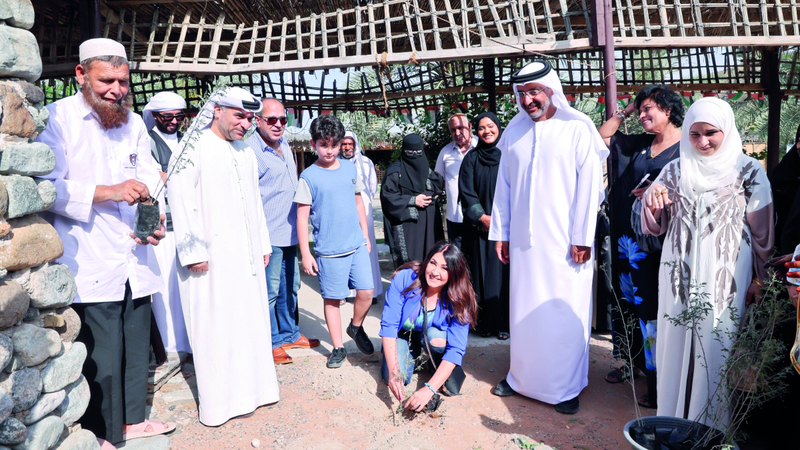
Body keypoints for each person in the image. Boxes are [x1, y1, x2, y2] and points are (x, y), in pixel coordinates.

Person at [37, 38, 175, 449]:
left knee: (136, 346)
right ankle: (101, 433)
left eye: (123, 81)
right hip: (89, 254)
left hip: (135, 250)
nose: (116, 89)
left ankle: (133, 422)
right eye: (106, 80)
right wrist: (110, 191)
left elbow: (151, 174)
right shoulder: (55, 120)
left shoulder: (132, 123)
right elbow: (47, 190)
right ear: (81, 75)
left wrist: (153, 215)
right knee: (101, 350)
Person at [642, 97, 773, 428]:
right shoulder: (675, 169)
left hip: (725, 278)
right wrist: (653, 202)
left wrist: (760, 280)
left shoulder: (748, 171)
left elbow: (762, 235)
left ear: (726, 130)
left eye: (711, 133)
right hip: (678, 276)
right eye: (695, 134)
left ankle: (713, 429)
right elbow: (654, 225)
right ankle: (672, 422)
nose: (702, 142)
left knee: (716, 345)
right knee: (675, 343)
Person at [488, 60, 608, 415]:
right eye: (522, 94)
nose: (528, 100)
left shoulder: (578, 128)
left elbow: (591, 188)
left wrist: (583, 237)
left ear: (551, 90)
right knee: (524, 312)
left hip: (566, 246)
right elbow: (504, 187)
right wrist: (501, 232)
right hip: (525, 247)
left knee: (561, 312)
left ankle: (565, 387)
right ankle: (520, 378)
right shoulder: (514, 131)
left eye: (534, 92)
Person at [169, 87, 280, 426]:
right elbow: (180, 197)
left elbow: (254, 203)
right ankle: (219, 405)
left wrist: (263, 244)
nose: (245, 124)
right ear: (217, 110)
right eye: (239, 116)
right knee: (215, 327)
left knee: (249, 322)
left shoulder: (246, 151)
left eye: (249, 118)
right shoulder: (192, 148)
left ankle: (256, 393)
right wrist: (192, 252)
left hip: (245, 257)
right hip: (209, 259)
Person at [596, 85, 684, 408]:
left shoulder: (687, 149)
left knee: (656, 313)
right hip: (628, 244)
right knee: (627, 302)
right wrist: (627, 111)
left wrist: (660, 198)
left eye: (650, 109)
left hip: (664, 246)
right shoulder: (640, 145)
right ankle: (630, 364)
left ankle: (659, 380)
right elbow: (602, 137)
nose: (645, 115)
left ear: (669, 110)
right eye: (642, 110)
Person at [294, 114, 375, 369]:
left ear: (341, 144)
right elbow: (302, 216)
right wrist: (306, 254)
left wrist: (365, 234)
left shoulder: (351, 169)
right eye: (323, 144)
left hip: (356, 244)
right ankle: (338, 348)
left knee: (367, 292)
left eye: (334, 144)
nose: (329, 150)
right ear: (313, 144)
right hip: (328, 251)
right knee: (332, 299)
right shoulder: (308, 176)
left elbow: (358, 200)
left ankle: (356, 326)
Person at [245, 98, 319, 366]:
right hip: (269, 235)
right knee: (270, 291)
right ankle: (272, 340)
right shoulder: (249, 151)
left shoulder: (285, 144)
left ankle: (290, 333)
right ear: (258, 120)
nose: (278, 125)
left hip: (290, 232)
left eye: (283, 120)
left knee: (292, 287)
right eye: (271, 120)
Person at [380, 240, 478, 407]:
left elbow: (456, 348)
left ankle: (437, 366)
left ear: (454, 273)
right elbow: (389, 326)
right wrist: (393, 372)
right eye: (432, 263)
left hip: (434, 335)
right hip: (404, 333)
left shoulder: (460, 297)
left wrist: (429, 389)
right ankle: (413, 355)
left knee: (435, 337)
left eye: (444, 268)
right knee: (396, 377)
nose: (435, 272)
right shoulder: (406, 278)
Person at [141, 91, 192, 356]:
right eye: (167, 116)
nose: (173, 121)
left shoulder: (187, 141)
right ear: (155, 116)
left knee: (187, 286)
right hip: (164, 226)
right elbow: (152, 182)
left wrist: (170, 179)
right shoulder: (147, 143)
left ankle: (190, 343)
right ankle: (171, 347)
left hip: (188, 224)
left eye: (179, 116)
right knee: (165, 289)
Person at [458, 112, 510, 340]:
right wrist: (483, 218)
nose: (487, 131)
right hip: (481, 230)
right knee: (480, 275)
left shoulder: (509, 156)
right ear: (475, 132)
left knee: (506, 276)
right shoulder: (471, 159)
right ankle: (484, 324)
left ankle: (505, 324)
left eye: (491, 126)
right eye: (481, 128)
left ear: (499, 127)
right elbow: (466, 193)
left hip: (508, 229)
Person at [381, 134, 446, 267]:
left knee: (431, 259)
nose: (415, 156)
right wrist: (413, 200)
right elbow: (387, 198)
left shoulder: (426, 170)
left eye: (418, 152)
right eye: (410, 152)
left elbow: (438, 185)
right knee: (410, 264)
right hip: (407, 226)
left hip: (429, 225)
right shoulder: (395, 172)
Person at [340, 131, 384, 302]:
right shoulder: (335, 162)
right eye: (344, 144)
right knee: (344, 248)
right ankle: (345, 292)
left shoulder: (366, 163)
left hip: (364, 209)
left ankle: (369, 291)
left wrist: (363, 202)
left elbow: (372, 187)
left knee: (367, 249)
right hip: (342, 210)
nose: (347, 147)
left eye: (350, 143)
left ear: (355, 144)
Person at [435, 114, 478, 247]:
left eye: (461, 128)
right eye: (453, 130)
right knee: (456, 260)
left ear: (470, 126)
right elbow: (437, 181)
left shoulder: (481, 147)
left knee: (477, 259)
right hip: (455, 218)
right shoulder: (445, 152)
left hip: (478, 216)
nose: (457, 133)